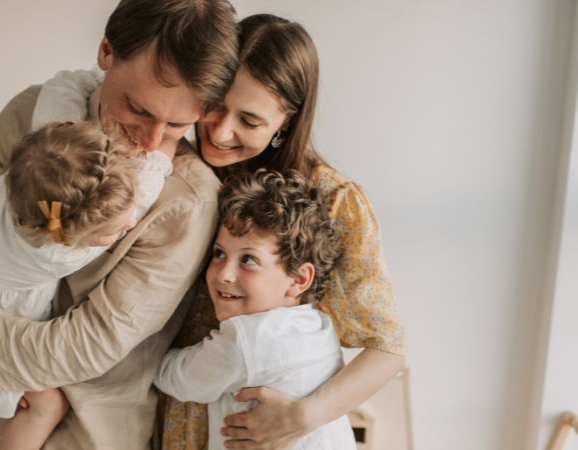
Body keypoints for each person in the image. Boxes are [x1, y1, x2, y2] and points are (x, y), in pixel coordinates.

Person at [0, 1, 240, 449]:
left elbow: (91, 342)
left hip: (93, 436)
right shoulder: (28, 114)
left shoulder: (187, 200)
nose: (149, 142)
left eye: (177, 125)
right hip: (4, 411)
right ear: (107, 52)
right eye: (139, 109)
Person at [155, 14, 407, 450]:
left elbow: (387, 350)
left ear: (286, 122)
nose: (220, 130)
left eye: (249, 121)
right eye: (215, 104)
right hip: (170, 419)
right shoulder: (177, 169)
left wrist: (301, 417)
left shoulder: (333, 202)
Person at [0, 120, 176, 450]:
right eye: (115, 231)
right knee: (46, 404)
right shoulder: (56, 252)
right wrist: (169, 140)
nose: (132, 223)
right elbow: (149, 185)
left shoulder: (35, 167)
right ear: (65, 236)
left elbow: (59, 97)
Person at [154, 169, 356, 450]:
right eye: (219, 253)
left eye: (248, 259)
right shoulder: (319, 325)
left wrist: (150, 340)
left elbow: (177, 379)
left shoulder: (247, 338)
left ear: (299, 279)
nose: (224, 273)